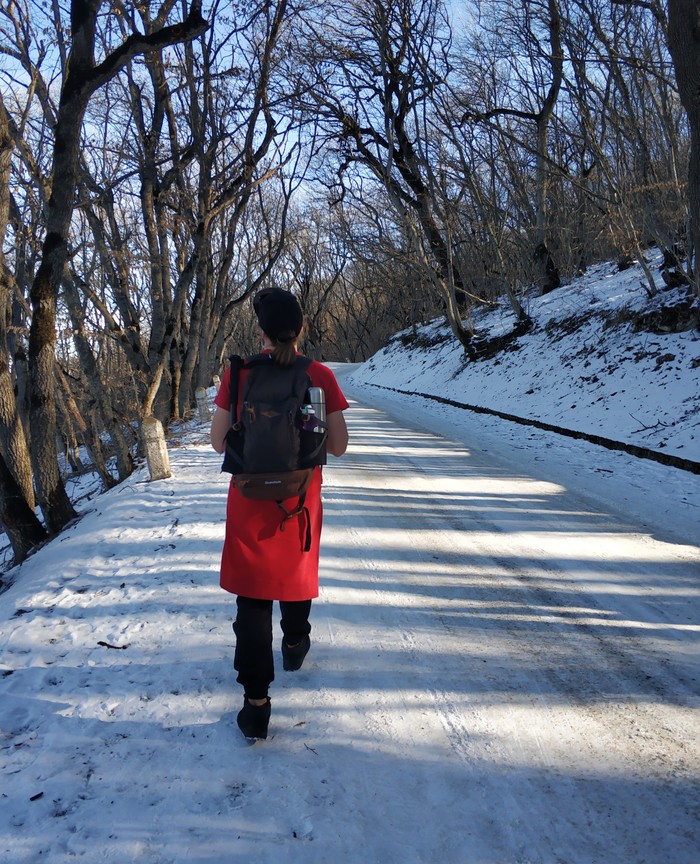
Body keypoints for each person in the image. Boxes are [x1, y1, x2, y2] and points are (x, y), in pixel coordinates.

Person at [210, 288, 349, 740]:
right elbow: (337, 446)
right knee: (292, 575)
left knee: (252, 600)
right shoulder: (318, 375)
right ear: (301, 328)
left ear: (262, 333)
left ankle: (256, 706)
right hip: (298, 502)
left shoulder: (239, 374)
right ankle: (294, 640)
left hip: (249, 503)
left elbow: (217, 442)